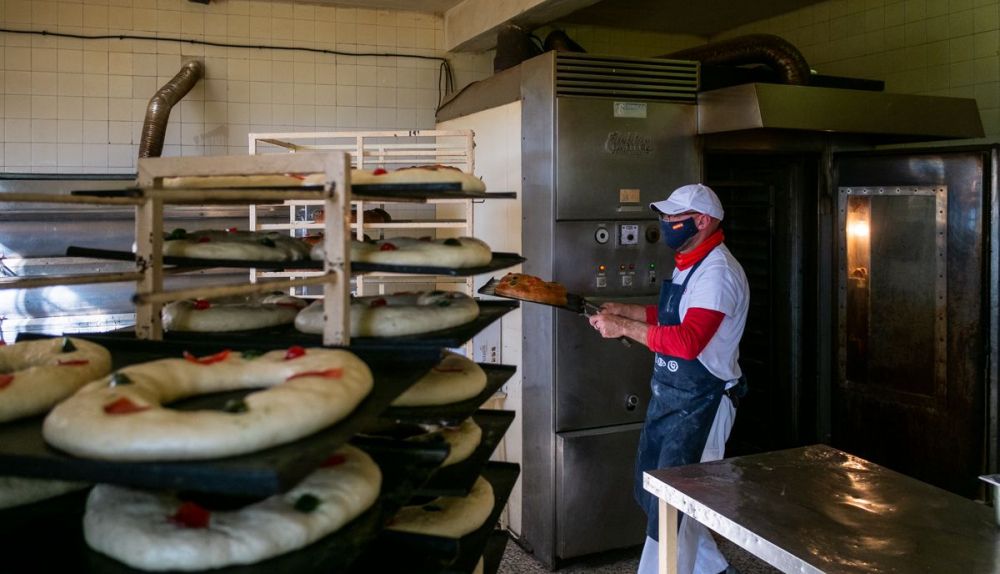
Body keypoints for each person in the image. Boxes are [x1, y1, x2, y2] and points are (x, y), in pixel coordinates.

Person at [588, 183, 749, 574]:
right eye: (664, 216)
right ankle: (715, 571)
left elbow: (689, 340)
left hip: (702, 405)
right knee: (662, 497)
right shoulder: (691, 263)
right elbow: (671, 317)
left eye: (674, 218)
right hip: (673, 401)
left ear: (703, 220)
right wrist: (623, 311)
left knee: (675, 511)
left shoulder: (717, 273)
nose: (665, 224)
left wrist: (621, 328)